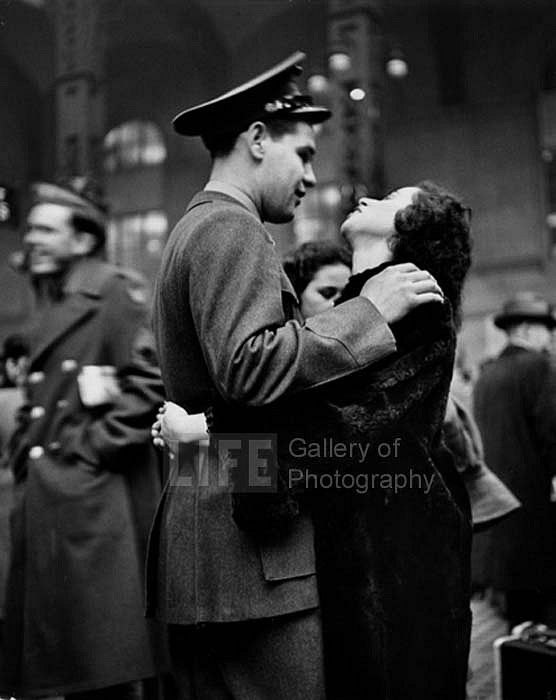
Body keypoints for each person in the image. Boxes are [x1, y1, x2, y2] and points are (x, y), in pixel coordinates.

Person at [147, 51, 444, 700]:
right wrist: (370, 312)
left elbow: (230, 416)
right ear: (256, 139)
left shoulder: (196, 228)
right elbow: (251, 370)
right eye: (304, 154)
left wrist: (207, 436)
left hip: (212, 544)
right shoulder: (232, 227)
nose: (312, 175)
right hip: (250, 567)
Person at [0, 177, 167, 699]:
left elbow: (150, 381)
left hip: (90, 498)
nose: (31, 240)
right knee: (70, 660)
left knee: (98, 663)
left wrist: (88, 451)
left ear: (83, 240)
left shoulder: (113, 292)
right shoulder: (57, 299)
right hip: (55, 496)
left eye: (45, 231)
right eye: (29, 230)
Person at [472, 292, 556, 630]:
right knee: (543, 627)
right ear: (523, 329)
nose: (550, 337)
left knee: (518, 626)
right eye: (545, 329)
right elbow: (552, 437)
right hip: (537, 522)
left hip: (501, 524)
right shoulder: (539, 367)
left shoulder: (487, 376)